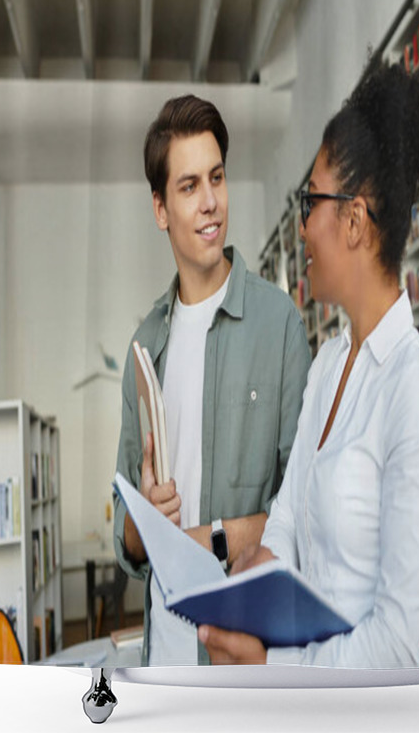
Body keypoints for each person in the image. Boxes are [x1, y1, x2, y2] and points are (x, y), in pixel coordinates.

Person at [199, 61, 419, 668]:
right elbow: (286, 514)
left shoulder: (413, 391)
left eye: (309, 201)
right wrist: (254, 576)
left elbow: (396, 646)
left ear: (354, 219)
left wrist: (273, 668)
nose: (302, 225)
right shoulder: (329, 363)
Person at [112, 94, 311, 666]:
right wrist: (143, 520)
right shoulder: (145, 344)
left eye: (217, 178)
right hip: (164, 659)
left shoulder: (279, 324)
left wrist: (215, 539)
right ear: (160, 209)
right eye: (189, 186)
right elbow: (125, 536)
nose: (209, 203)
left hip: (241, 659)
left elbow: (306, 510)